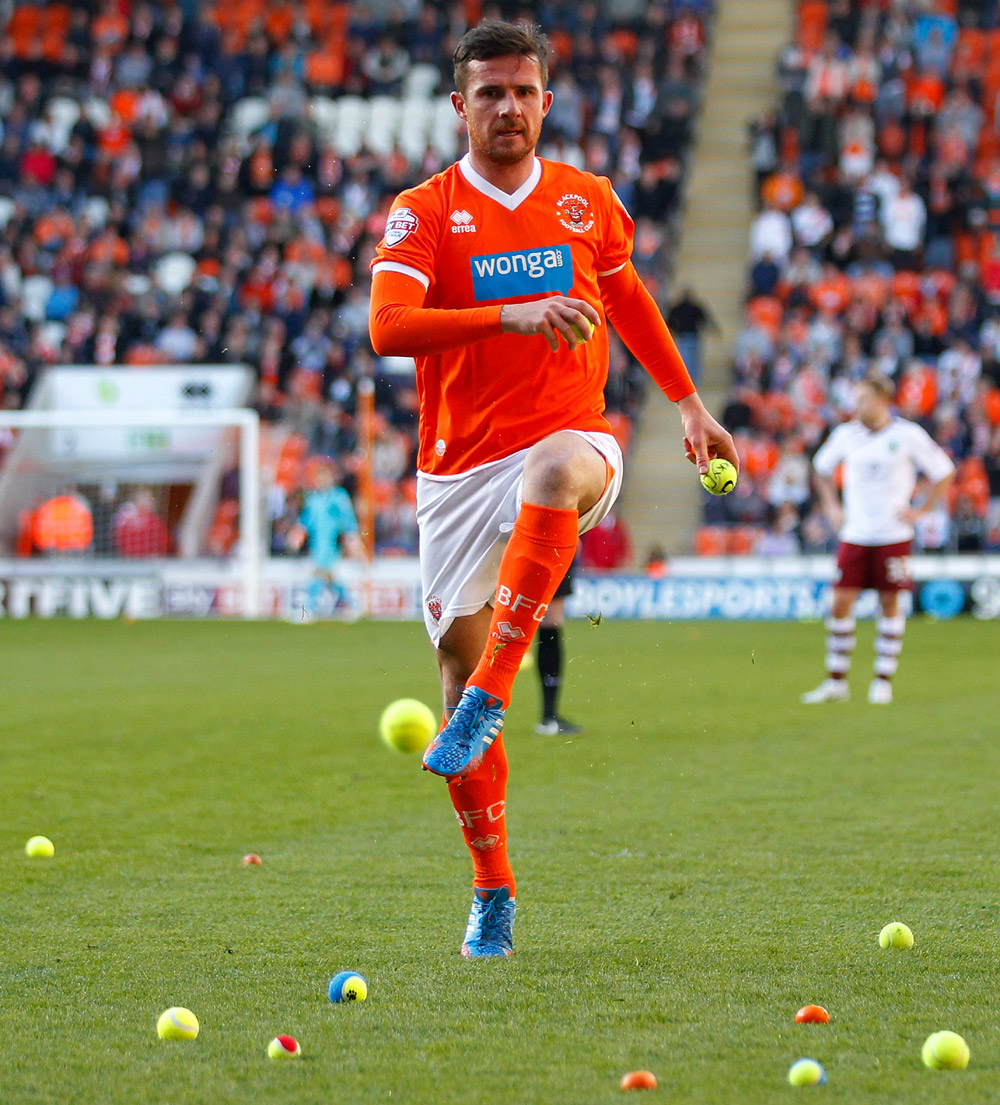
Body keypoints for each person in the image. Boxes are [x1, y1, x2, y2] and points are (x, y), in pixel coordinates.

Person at [368, 20, 737, 957]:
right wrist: (512, 314)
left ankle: (497, 690)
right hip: (457, 467)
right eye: (490, 92)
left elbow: (629, 300)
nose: (509, 107)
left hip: (569, 439)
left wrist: (689, 404)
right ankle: (493, 888)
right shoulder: (424, 209)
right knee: (451, 669)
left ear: (547, 100)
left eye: (524, 92)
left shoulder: (586, 199)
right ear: (461, 105)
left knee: (554, 470)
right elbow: (389, 326)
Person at [801, 371, 954, 706]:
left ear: (883, 400)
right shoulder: (845, 434)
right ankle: (836, 682)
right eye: (856, 399)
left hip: (893, 534)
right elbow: (821, 469)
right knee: (840, 602)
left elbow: (943, 471)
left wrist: (923, 510)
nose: (857, 405)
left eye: (864, 399)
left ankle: (882, 681)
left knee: (890, 603)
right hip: (855, 533)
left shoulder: (907, 435)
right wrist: (831, 506)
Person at [287, 463, 367, 619]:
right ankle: (353, 604)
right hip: (317, 542)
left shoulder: (338, 496)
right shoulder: (313, 498)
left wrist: (352, 538)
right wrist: (298, 533)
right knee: (330, 576)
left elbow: (348, 519)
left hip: (332, 542)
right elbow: (306, 520)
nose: (321, 481)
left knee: (319, 573)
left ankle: (308, 610)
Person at [534, 560, 582, 736]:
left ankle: (549, 715)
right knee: (550, 621)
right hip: (552, 552)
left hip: (552, 552)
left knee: (549, 622)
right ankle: (549, 717)